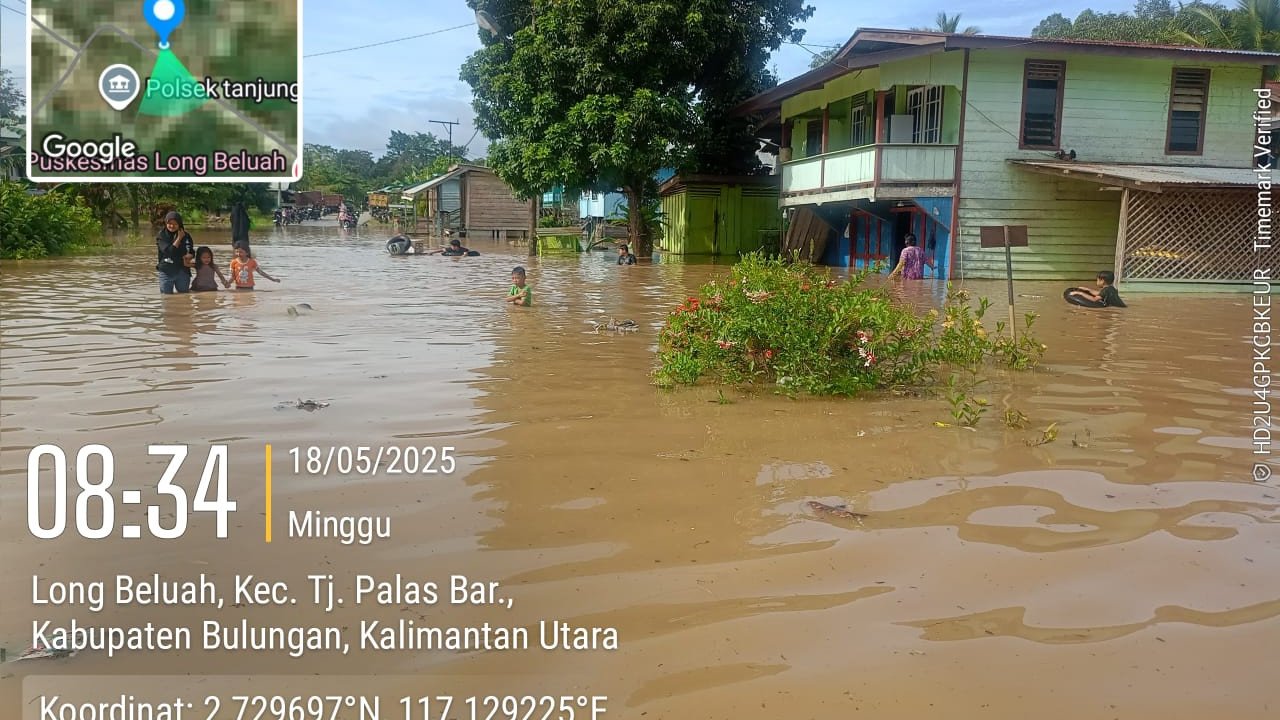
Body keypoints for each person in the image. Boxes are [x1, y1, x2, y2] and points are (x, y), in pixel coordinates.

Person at [156, 211, 195, 294]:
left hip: (183, 270)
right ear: (166, 223)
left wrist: (190, 255)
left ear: (179, 224)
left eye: (175, 224)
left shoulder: (186, 235)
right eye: (169, 223)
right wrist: (179, 238)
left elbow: (191, 250)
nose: (172, 226)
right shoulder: (162, 236)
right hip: (167, 270)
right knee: (167, 298)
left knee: (184, 297)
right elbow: (169, 252)